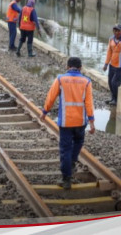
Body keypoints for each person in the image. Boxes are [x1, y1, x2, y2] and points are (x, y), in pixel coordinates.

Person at [40, 57, 95, 190]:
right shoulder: (86, 81)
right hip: (80, 122)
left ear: (67, 66)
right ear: (80, 68)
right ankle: (72, 161)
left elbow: (51, 96)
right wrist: (92, 122)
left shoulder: (60, 79)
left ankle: (66, 179)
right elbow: (89, 103)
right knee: (78, 142)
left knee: (65, 150)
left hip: (65, 122)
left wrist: (44, 111)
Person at [103, 24, 121, 106]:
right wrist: (106, 64)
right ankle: (113, 98)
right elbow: (109, 52)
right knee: (110, 82)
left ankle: (116, 100)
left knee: (115, 83)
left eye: (118, 31)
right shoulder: (111, 39)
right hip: (112, 65)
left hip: (120, 66)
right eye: (115, 30)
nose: (116, 32)